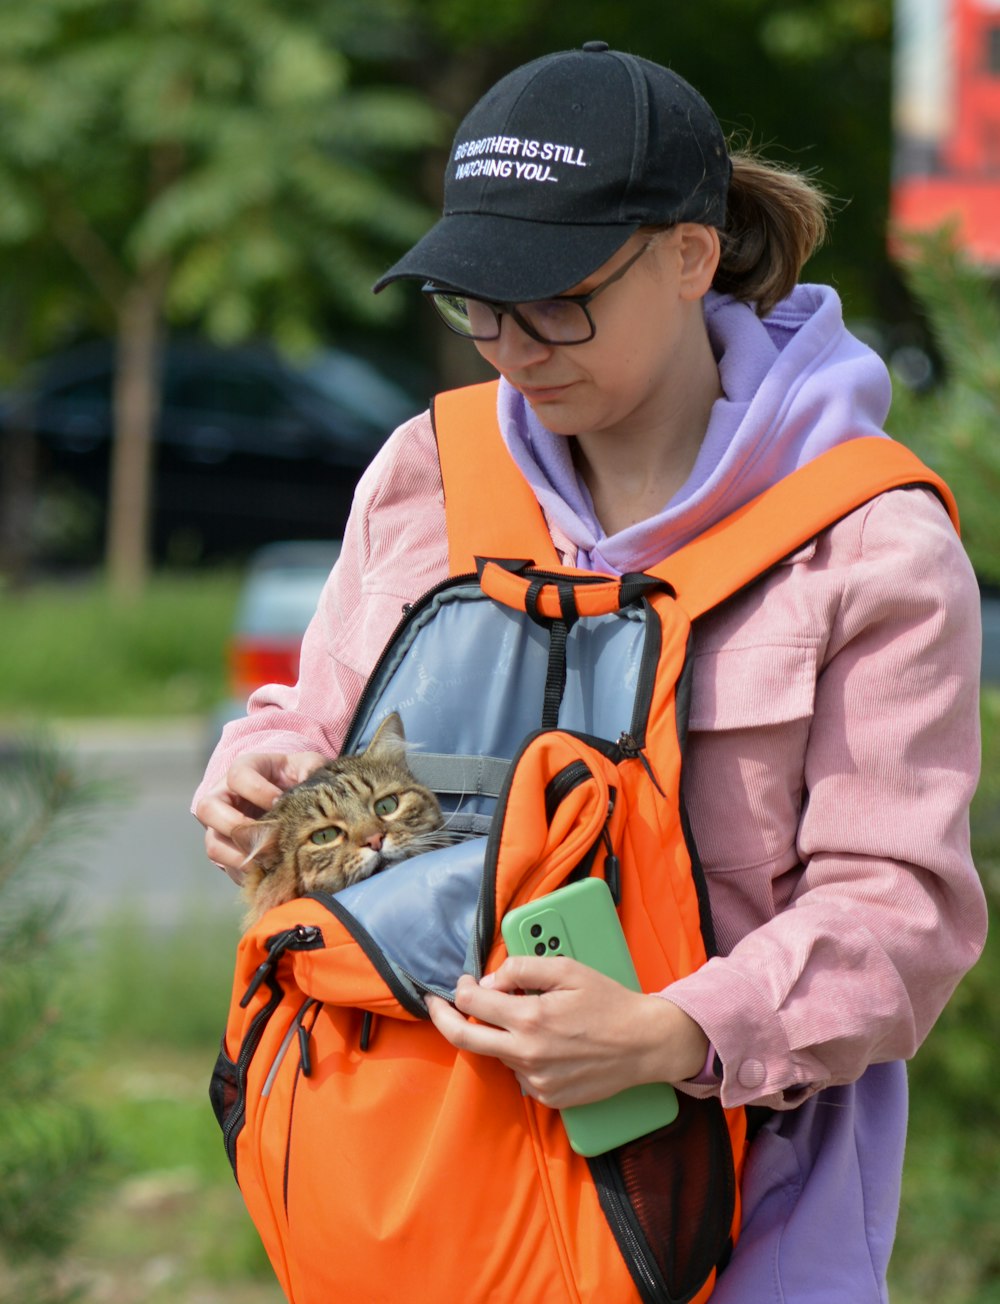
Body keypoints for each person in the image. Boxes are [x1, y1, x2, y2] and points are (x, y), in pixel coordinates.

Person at [194, 42, 987, 1301]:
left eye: (558, 298)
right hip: (419, 1180)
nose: (511, 345)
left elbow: (900, 912)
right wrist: (255, 770)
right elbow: (312, 718)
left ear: (687, 255)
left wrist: (672, 1033)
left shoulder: (865, 539)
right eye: (477, 303)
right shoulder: (426, 474)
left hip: (731, 1213)